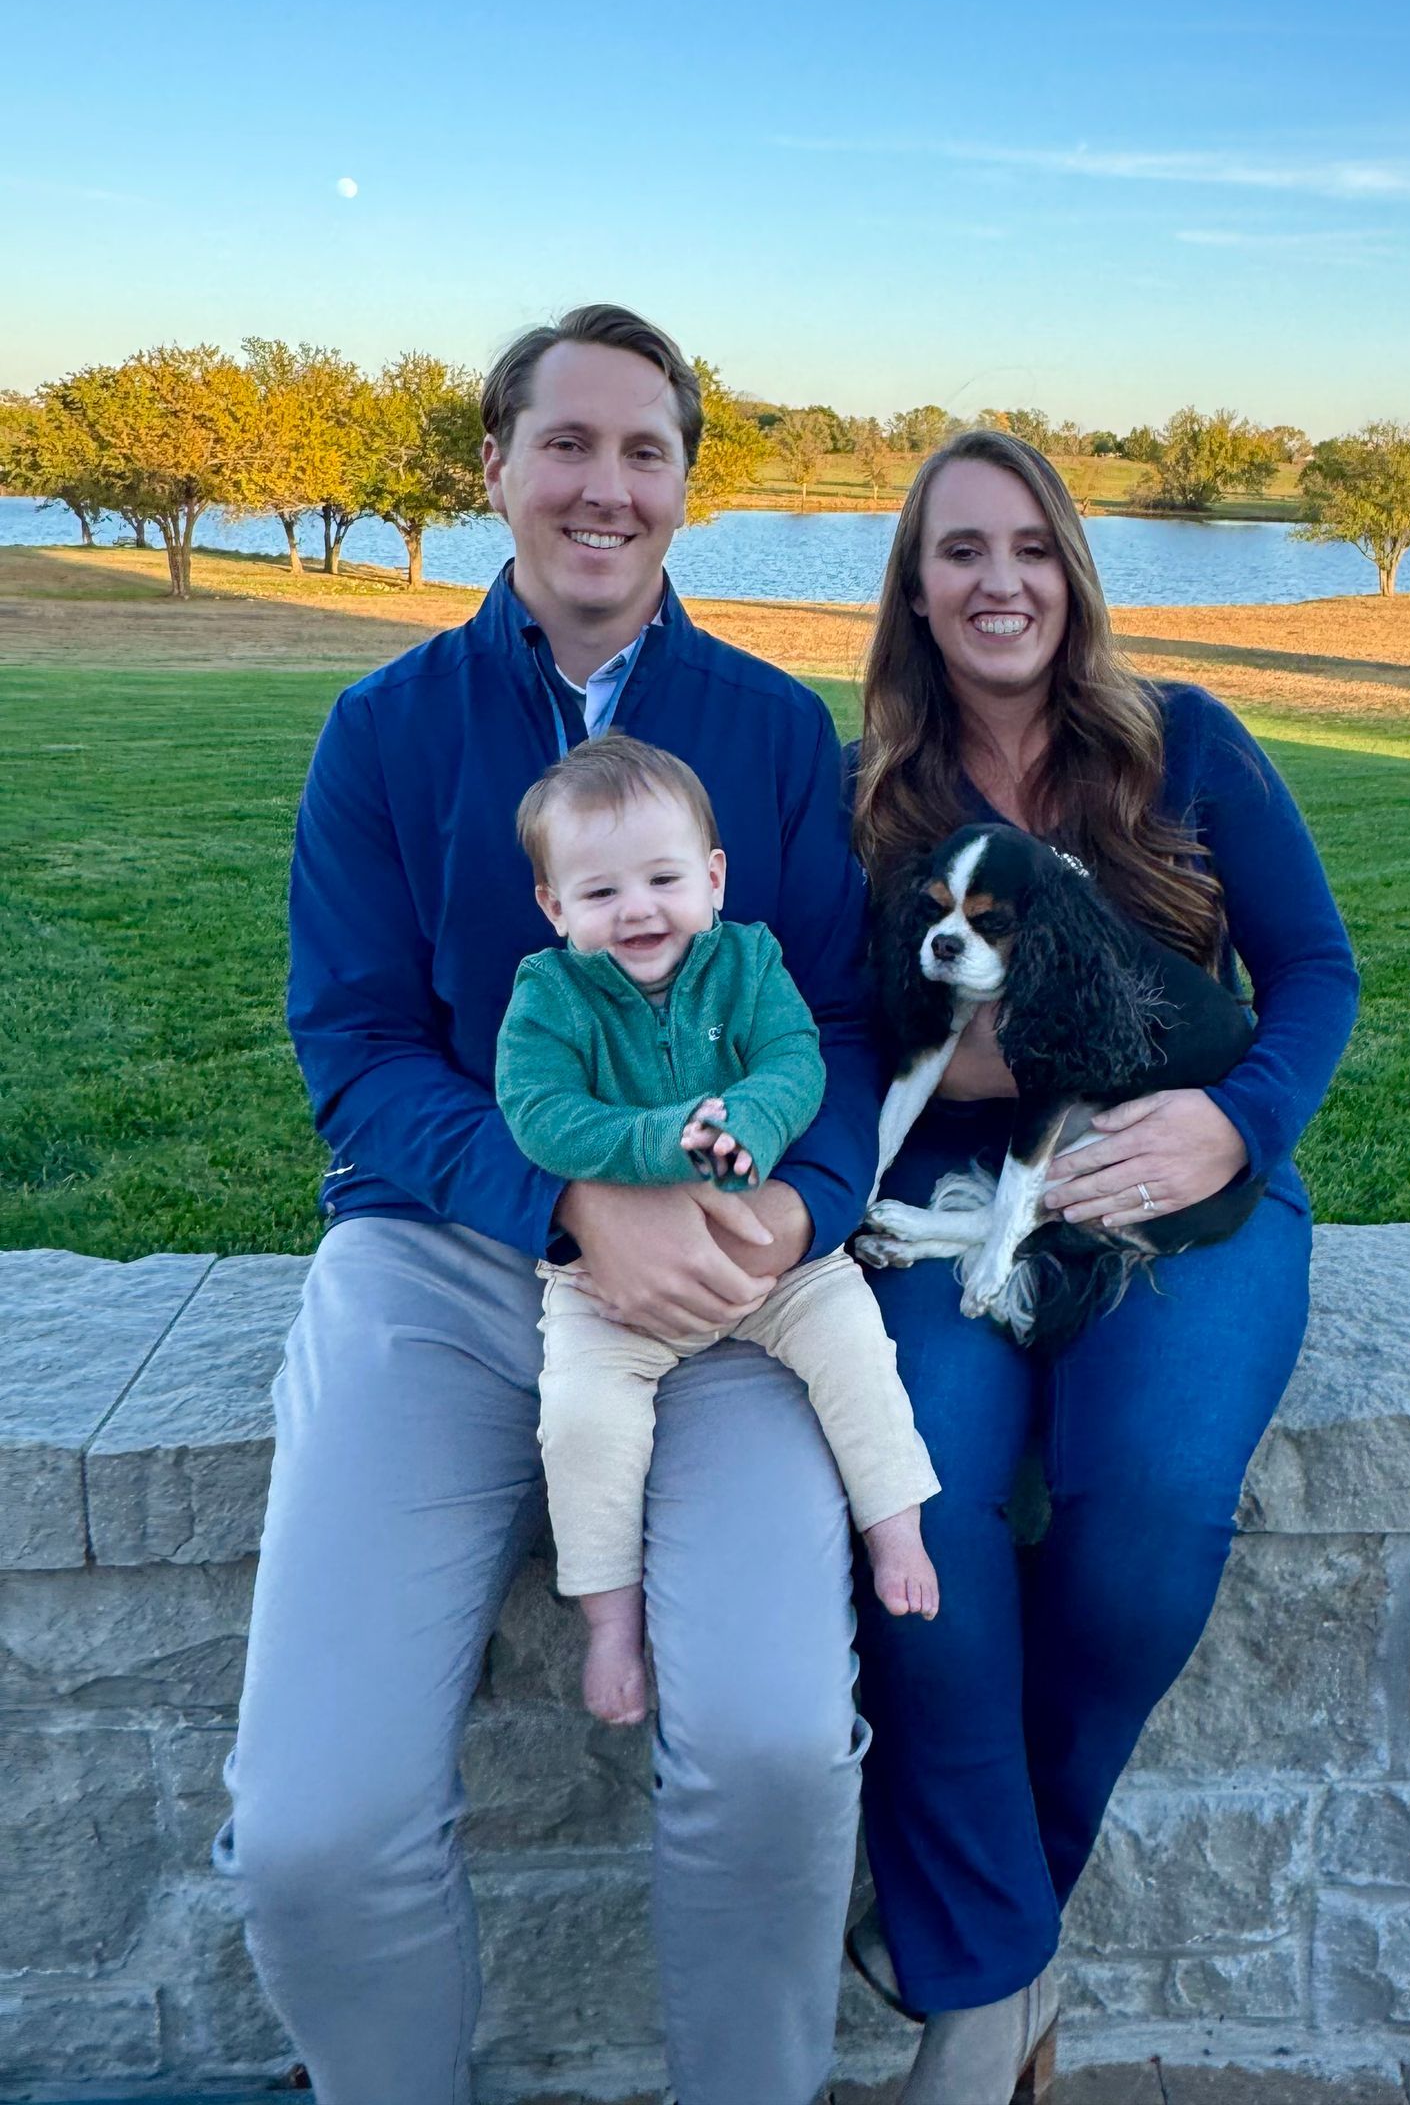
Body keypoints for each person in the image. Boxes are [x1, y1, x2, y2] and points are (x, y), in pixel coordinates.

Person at [215, 305, 881, 2105]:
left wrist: (798, 1215)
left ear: (685, 489)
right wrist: (569, 1203)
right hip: (441, 1258)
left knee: (774, 1755)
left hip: (725, 1283)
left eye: (644, 450)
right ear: (493, 469)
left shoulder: (769, 732)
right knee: (312, 1832)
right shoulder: (384, 732)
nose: (605, 485)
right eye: (565, 444)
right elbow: (352, 1044)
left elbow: (840, 1017)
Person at [845, 429, 1359, 2104]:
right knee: (919, 1505)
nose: (1001, 584)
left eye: (1032, 550)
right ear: (914, 591)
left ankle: (996, 1917)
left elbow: (1315, 970)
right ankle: (999, 1977)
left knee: (1145, 1520)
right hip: (945, 1200)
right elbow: (842, 1030)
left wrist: (1239, 1124)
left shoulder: (1186, 745)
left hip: (1181, 1188)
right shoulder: (873, 797)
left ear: (1074, 571)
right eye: (959, 553)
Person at [497, 730, 939, 1728]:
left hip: (763, 1249)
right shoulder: (548, 995)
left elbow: (795, 1062)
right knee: (581, 1417)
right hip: (606, 1279)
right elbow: (539, 1113)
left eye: (663, 878)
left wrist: (748, 1121)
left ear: (714, 876)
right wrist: (659, 1140)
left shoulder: (750, 961)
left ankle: (896, 1526)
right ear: (554, 907)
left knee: (857, 1345)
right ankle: (611, 1617)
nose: (639, 909)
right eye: (601, 894)